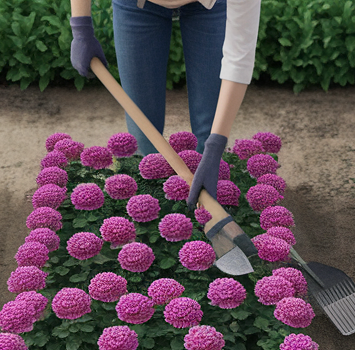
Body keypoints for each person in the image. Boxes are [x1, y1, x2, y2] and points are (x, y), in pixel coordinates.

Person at [69, 0, 261, 210]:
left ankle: (205, 211)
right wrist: (81, 27)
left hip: (212, 6)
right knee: (143, 142)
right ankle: (151, 210)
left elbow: (238, 59)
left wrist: (214, 147)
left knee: (210, 132)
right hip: (136, 5)